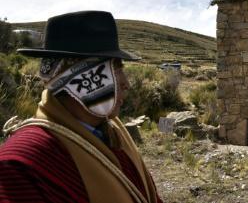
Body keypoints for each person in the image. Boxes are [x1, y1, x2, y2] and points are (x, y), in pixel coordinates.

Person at [0, 11, 162, 203]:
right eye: (116, 68)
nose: (126, 83)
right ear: (83, 78)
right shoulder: (20, 165)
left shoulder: (113, 132)